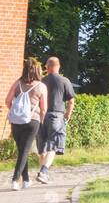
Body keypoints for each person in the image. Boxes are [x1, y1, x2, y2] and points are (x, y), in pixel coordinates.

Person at [5, 58, 47, 190]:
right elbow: (44, 108)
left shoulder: (17, 83)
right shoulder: (41, 86)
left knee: (22, 150)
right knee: (24, 151)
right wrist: (41, 121)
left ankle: (27, 180)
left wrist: (16, 111)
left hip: (16, 121)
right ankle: (15, 179)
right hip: (32, 121)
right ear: (37, 70)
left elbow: (7, 101)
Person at [36, 56, 75, 184]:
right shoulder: (64, 81)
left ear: (47, 67)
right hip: (56, 116)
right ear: (58, 67)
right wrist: (68, 114)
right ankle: (44, 171)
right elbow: (71, 100)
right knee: (53, 146)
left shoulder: (41, 81)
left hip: (41, 116)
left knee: (42, 148)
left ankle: (42, 172)